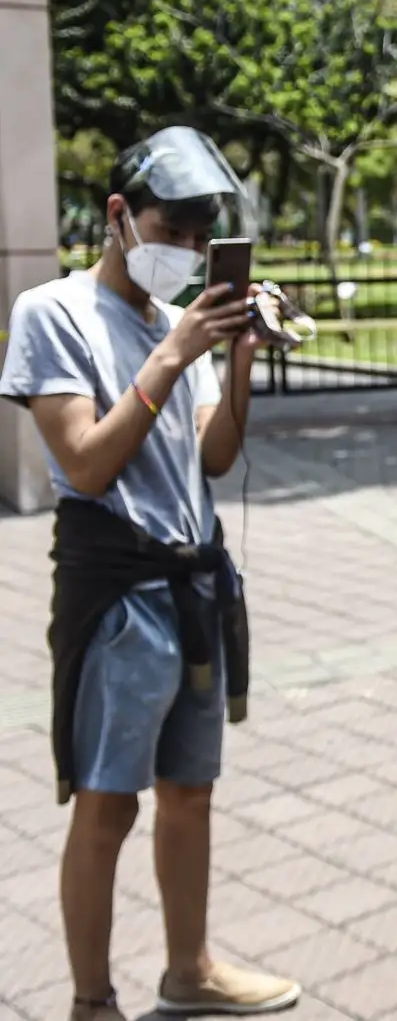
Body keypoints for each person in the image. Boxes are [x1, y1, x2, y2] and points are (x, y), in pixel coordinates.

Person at [0, 128, 301, 1020]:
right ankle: (92, 1002)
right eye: (168, 230)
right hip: (118, 594)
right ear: (119, 215)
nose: (180, 252)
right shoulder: (50, 312)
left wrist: (239, 352)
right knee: (106, 804)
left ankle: (190, 969)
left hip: (193, 583)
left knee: (190, 792)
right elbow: (85, 464)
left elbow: (213, 457)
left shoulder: (183, 323)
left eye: (195, 238)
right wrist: (174, 357)